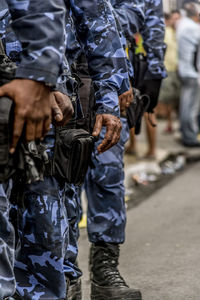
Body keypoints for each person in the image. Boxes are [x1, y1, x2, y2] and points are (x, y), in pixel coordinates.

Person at [0, 0, 130, 299]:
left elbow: (98, 21)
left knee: (44, 225)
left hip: (48, 101)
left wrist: (107, 97)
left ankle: (84, 274)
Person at [76, 1, 166, 299]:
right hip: (61, 74)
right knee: (57, 181)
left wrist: (154, 71)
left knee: (108, 175)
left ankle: (104, 271)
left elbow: (144, 12)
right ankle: (62, 271)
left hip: (111, 78)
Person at [177, 2, 200, 146]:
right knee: (191, 107)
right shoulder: (192, 28)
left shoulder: (182, 24)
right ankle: (190, 136)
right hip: (191, 72)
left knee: (186, 103)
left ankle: (186, 133)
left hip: (185, 70)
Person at [158, 10, 181, 134]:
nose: (175, 21)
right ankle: (166, 122)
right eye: (174, 18)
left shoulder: (179, 33)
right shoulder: (164, 32)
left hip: (178, 71)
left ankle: (173, 123)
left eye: (178, 18)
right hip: (167, 69)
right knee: (165, 99)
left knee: (176, 100)